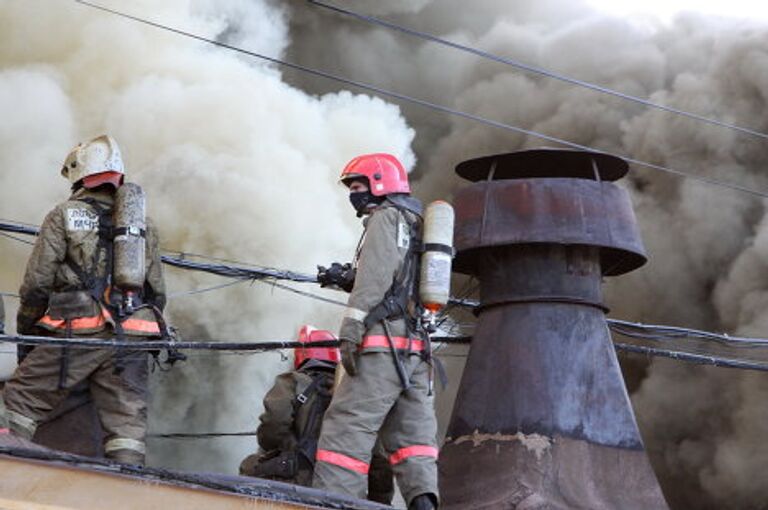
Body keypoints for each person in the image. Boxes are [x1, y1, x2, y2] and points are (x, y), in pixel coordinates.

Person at [1, 135, 166, 465]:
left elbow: (37, 284)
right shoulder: (142, 225)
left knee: (17, 405)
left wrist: (28, 335)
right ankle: (125, 491)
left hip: (77, 329)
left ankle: (8, 476)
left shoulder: (63, 215)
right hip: (132, 335)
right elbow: (157, 293)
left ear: (79, 174)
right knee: (127, 432)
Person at [313, 154, 439, 510]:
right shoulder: (418, 222)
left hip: (383, 346)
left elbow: (375, 282)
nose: (353, 194)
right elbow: (402, 281)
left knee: (346, 428)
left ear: (380, 183)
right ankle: (424, 504)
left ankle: (334, 504)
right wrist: (346, 278)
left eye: (358, 186)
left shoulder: (385, 218)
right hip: (417, 350)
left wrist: (350, 330)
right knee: (414, 439)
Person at [240, 325, 394, 504]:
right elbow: (380, 463)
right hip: (345, 492)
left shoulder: (292, 382)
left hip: (295, 483)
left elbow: (274, 424)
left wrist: (274, 447)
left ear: (300, 355)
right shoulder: (356, 395)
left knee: (248, 466)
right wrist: (379, 502)